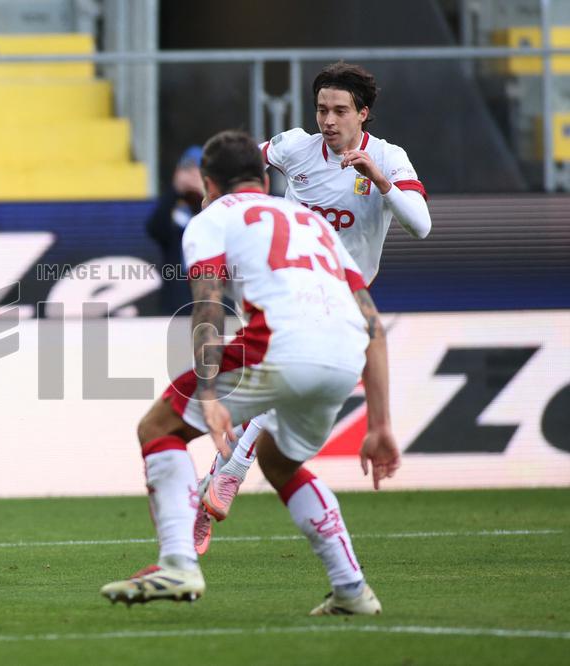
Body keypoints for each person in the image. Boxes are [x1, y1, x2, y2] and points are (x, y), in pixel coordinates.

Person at [100, 130, 400, 613]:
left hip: (279, 342)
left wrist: (210, 392)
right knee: (279, 462)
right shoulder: (310, 220)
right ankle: (351, 590)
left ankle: (177, 563)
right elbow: (374, 326)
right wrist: (381, 425)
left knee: (158, 428)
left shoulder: (210, 218)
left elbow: (209, 304)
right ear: (264, 178)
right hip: (345, 352)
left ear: (207, 184)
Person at [194, 61, 430, 554]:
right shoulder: (294, 147)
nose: (328, 119)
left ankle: (223, 473)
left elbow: (422, 225)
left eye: (340, 110)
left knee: (281, 383)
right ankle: (225, 475)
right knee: (282, 378)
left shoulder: (388, 157)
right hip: (286, 288)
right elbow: (239, 171)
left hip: (347, 295)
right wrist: (216, 206)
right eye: (322, 108)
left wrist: (381, 181)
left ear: (363, 114)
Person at [145, 146, 204, 314]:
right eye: (188, 169)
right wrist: (176, 190)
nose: (192, 175)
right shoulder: (173, 208)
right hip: (175, 298)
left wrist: (206, 192)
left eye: (198, 170)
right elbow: (154, 229)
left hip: (207, 292)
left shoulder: (214, 209)